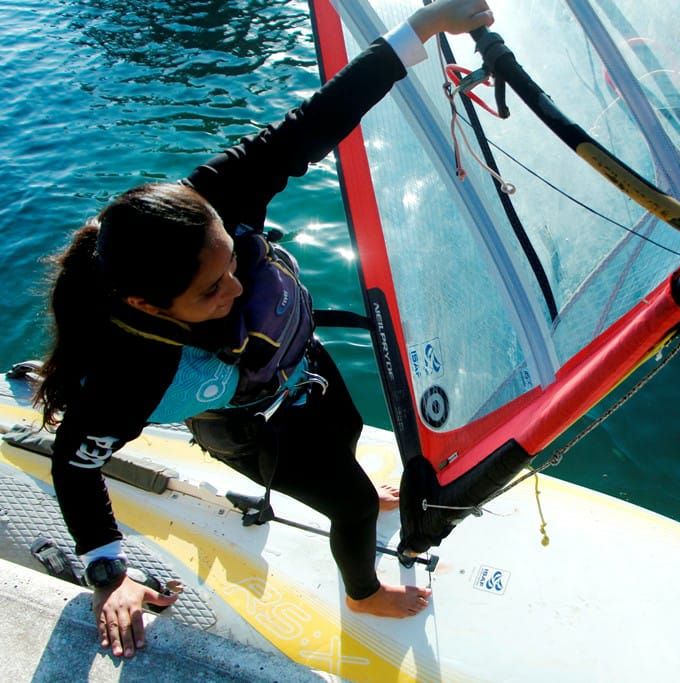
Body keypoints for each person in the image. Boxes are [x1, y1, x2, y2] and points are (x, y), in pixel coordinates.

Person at [35, 0, 494, 660]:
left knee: (348, 431)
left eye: (231, 259)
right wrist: (108, 572)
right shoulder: (126, 373)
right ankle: (362, 592)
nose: (239, 287)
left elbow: (318, 119)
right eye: (212, 291)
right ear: (149, 303)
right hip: (253, 425)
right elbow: (75, 465)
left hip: (295, 361)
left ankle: (352, 475)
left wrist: (421, 26)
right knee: (355, 507)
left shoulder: (213, 195)